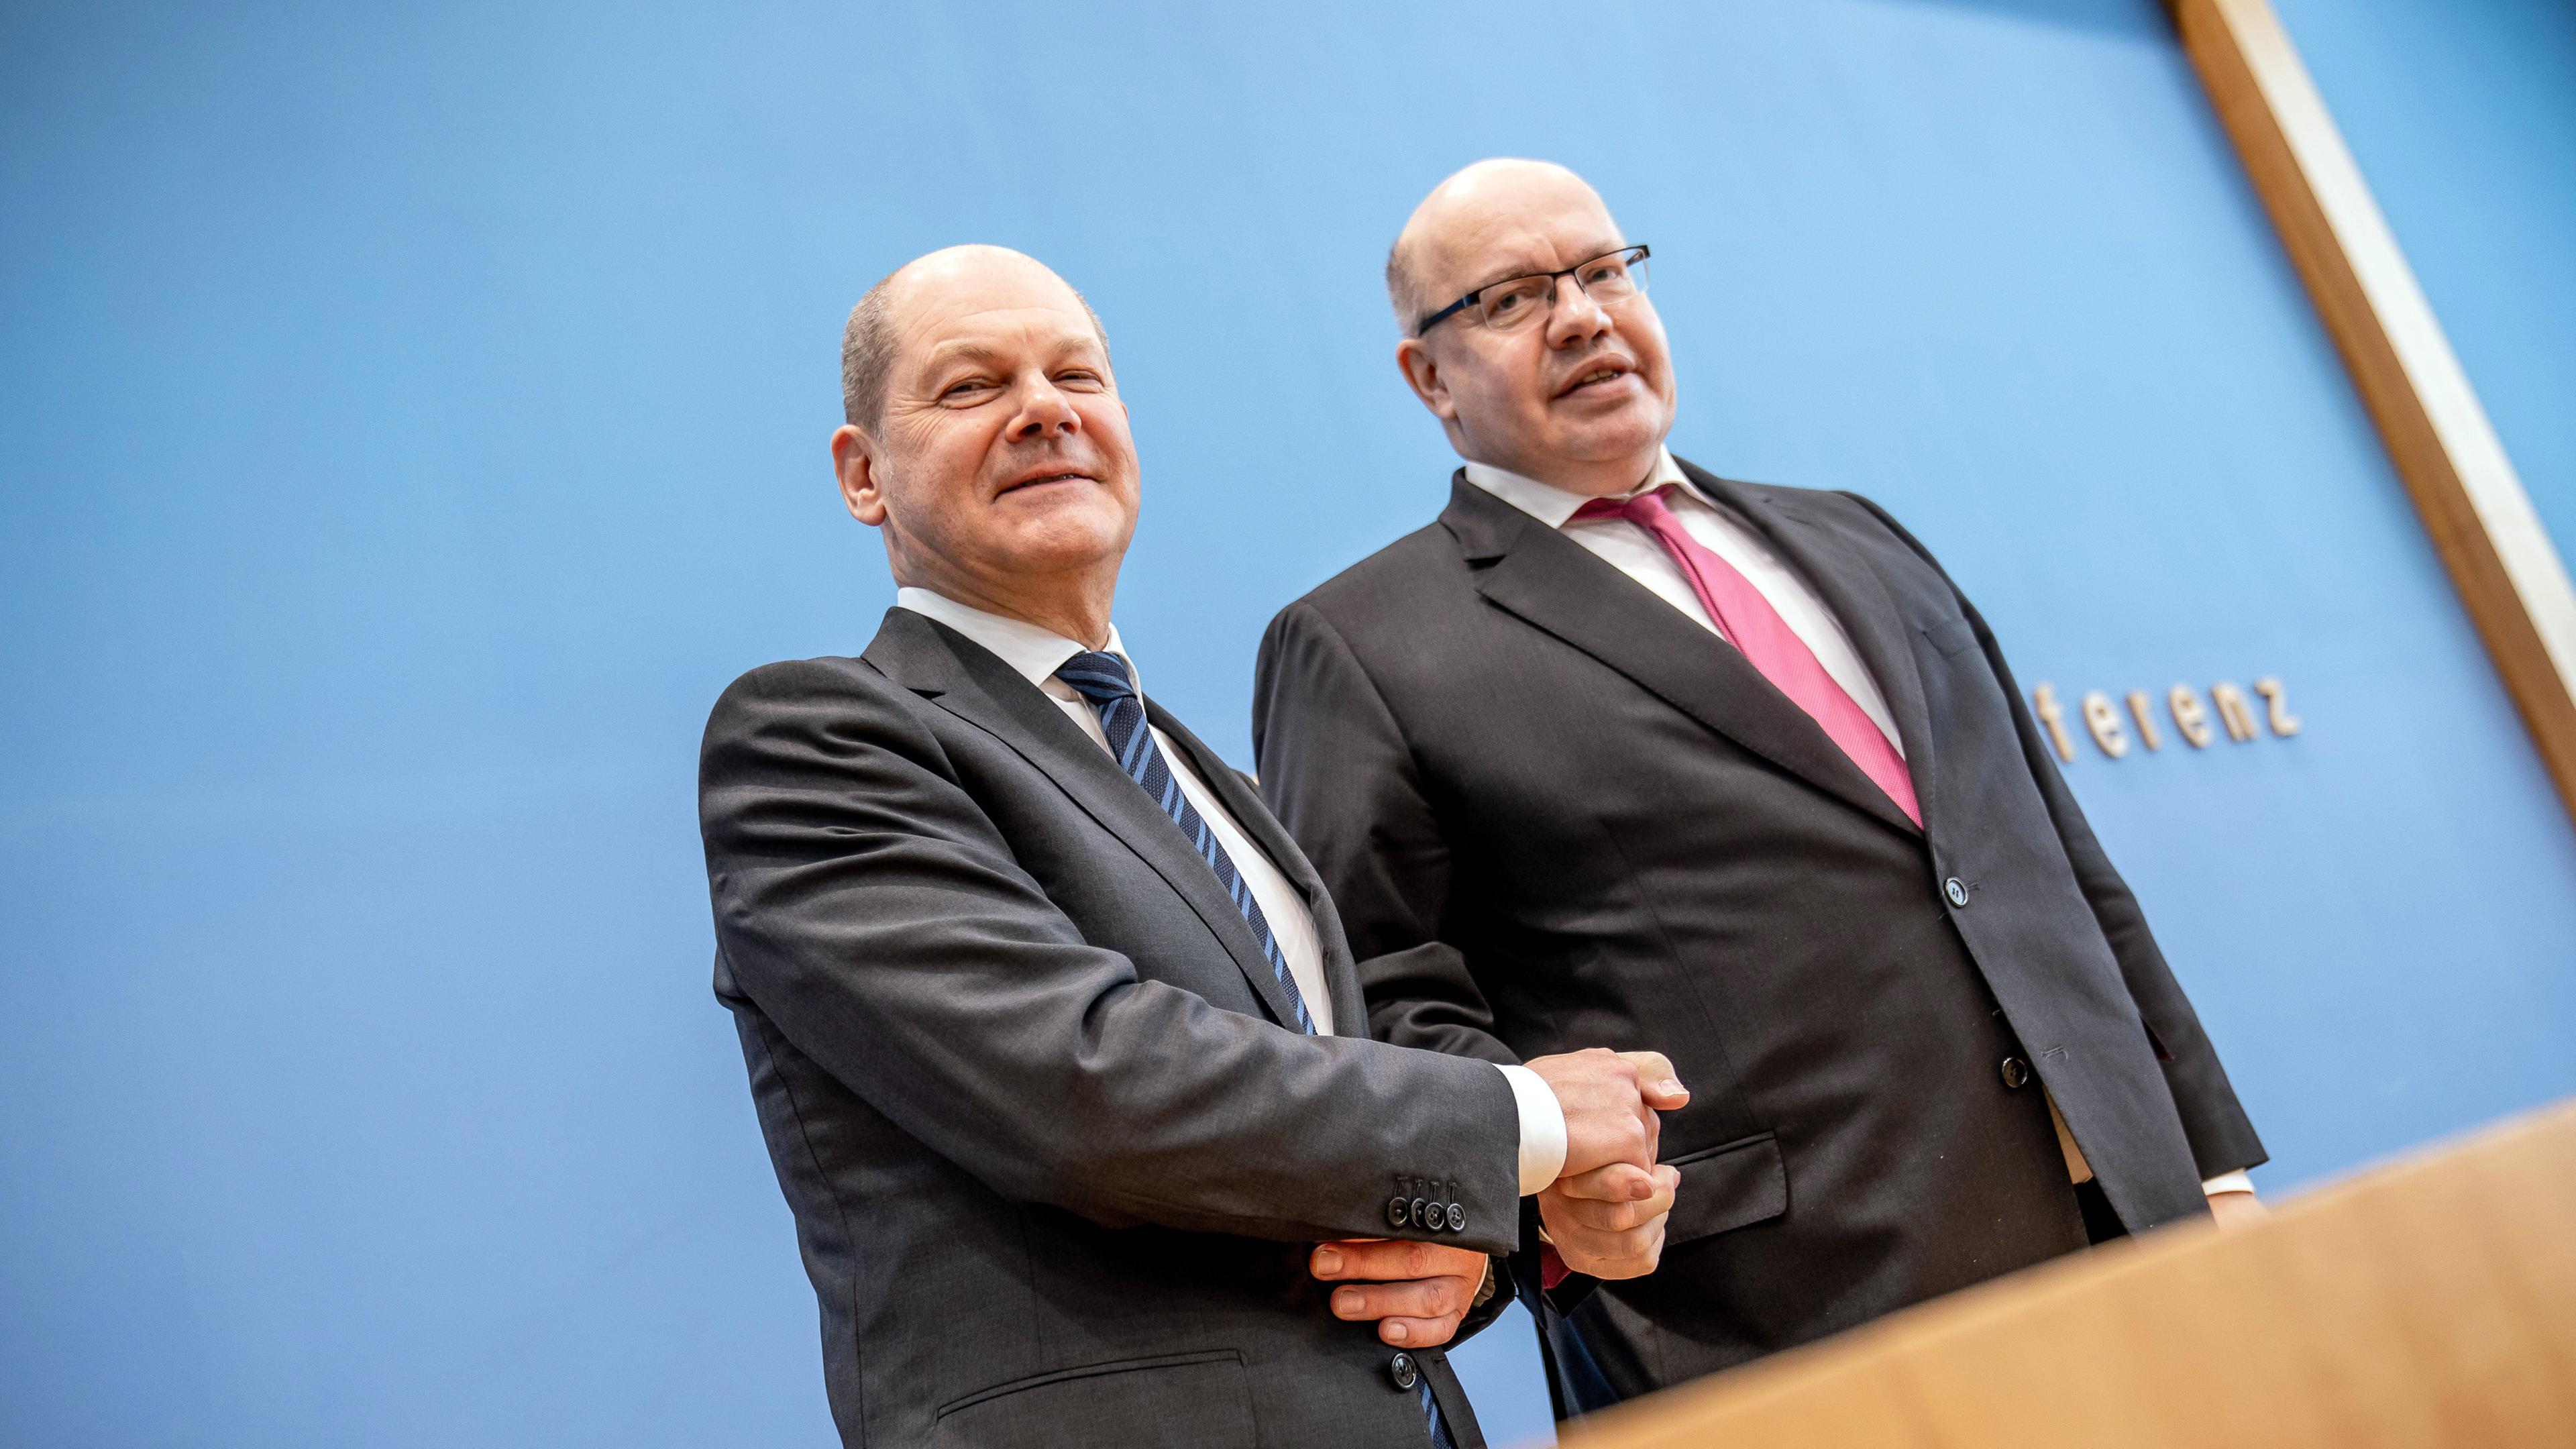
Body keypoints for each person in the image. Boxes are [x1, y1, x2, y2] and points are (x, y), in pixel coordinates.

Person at [1250, 160, 2269, 1418]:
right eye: (1512, 298)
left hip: (2131, 1229)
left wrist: (2208, 1164)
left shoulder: (1859, 536)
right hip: (1769, 1315)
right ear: (1429, 378)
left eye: (1604, 271)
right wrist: (1547, 1185)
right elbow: (1383, 995)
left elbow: (2051, 864)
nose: (1581, 316)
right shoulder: (1362, 642)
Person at [696, 243, 1690, 1449]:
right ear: (865, 474)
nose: (1045, 410)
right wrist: (1525, 1123)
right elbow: (1087, 1085)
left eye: (1078, 376)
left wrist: (1503, 1240)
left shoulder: (1212, 786)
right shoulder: (816, 739)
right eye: (972, 386)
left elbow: (1324, 1136)